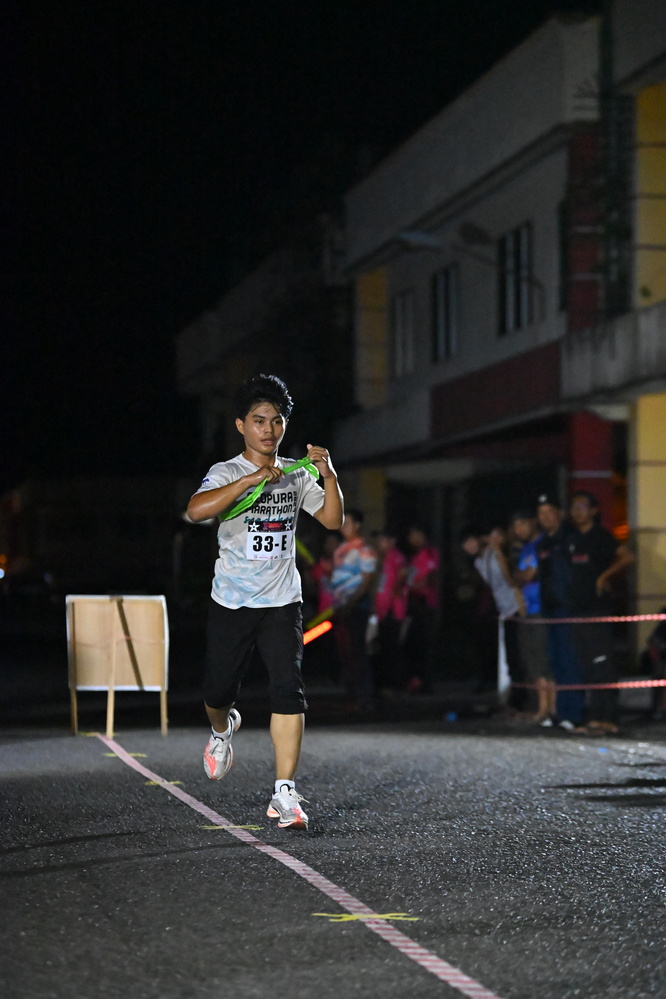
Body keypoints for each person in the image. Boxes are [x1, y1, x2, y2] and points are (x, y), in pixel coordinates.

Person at [187, 373, 343, 830]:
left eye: (276, 421)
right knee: (217, 692)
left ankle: (284, 793)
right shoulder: (226, 471)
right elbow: (196, 510)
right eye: (259, 421)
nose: (269, 430)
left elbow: (332, 520)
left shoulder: (296, 473)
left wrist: (328, 475)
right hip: (232, 600)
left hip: (282, 600)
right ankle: (222, 729)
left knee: (288, 690)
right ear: (241, 425)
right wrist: (252, 480)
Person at [567, 490, 634, 734]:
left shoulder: (601, 536)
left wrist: (604, 576)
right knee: (587, 665)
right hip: (577, 609)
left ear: (594, 510)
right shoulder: (572, 538)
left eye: (582, 506)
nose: (577, 511)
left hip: (598, 609)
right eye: (574, 507)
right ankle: (594, 717)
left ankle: (609, 717)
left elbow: (627, 557)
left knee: (602, 663)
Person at [460, 525, 525, 710]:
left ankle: (520, 696)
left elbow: (510, 580)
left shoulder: (496, 553)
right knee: (511, 654)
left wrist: (499, 553)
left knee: (518, 652)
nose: (469, 546)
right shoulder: (478, 562)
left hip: (516, 606)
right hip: (504, 608)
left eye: (471, 541)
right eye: (465, 544)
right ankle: (515, 696)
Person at [535, 494, 584, 731]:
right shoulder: (542, 543)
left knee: (570, 661)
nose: (545, 517)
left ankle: (573, 713)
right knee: (555, 662)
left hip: (568, 607)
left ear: (560, 514)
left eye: (549, 512)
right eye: (541, 513)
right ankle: (559, 711)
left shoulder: (571, 538)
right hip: (550, 608)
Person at [510, 510, 556, 723]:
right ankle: (541, 707)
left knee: (544, 658)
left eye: (522, 524)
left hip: (541, 608)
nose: (518, 530)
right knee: (532, 659)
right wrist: (522, 576)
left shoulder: (544, 543)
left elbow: (530, 574)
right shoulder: (526, 548)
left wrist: (522, 576)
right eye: (515, 526)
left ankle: (551, 708)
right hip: (526, 609)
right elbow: (517, 577)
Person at [330, 509, 378, 712]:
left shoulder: (364, 550)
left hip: (357, 607)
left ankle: (363, 697)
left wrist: (351, 603)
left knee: (357, 652)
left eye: (348, 522)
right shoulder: (341, 549)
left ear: (357, 525)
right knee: (346, 653)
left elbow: (367, 580)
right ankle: (352, 695)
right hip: (342, 607)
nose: (343, 527)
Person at [403, 524, 440, 694]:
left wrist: (411, 588)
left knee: (424, 644)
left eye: (413, 535)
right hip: (414, 602)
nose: (410, 539)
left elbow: (430, 577)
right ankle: (417, 679)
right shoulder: (415, 555)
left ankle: (425, 682)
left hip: (425, 602)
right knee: (414, 643)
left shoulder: (430, 552)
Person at [373, 526, 408, 692]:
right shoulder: (383, 558)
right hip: (382, 611)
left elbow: (403, 575)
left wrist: (394, 596)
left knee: (392, 648)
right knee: (384, 647)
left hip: (392, 611)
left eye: (382, 540)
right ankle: (385, 683)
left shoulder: (396, 557)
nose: (379, 543)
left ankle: (394, 684)